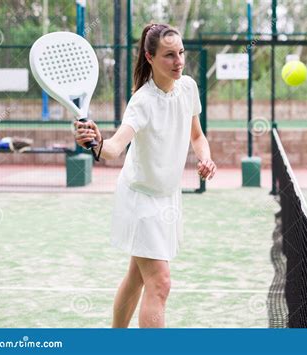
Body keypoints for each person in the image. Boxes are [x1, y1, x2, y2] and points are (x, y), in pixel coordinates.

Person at [74, 23, 217, 327]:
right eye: (169, 55)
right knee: (160, 283)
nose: (178, 61)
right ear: (150, 57)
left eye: (181, 53)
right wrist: (96, 143)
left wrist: (205, 158)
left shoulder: (189, 87)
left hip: (168, 198)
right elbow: (113, 149)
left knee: (137, 276)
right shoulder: (142, 101)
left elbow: (197, 136)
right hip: (140, 200)